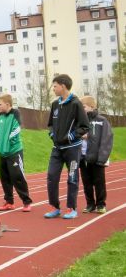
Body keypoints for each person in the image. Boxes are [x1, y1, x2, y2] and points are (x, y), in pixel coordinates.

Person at [44, 74, 90, 220]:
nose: (53, 89)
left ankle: (71, 208)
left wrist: (71, 136)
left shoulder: (76, 103)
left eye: (55, 86)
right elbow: (50, 124)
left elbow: (84, 127)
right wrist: (52, 135)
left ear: (63, 86)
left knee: (72, 178)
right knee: (51, 177)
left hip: (72, 149)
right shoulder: (55, 104)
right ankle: (55, 207)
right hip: (57, 149)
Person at [0, 94, 32, 212]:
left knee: (17, 176)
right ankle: (9, 202)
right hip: (3, 152)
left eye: (0, 104)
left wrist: (9, 142)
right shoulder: (0, 116)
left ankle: (26, 202)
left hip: (14, 151)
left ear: (7, 104)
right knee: (4, 178)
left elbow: (17, 129)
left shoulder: (15, 113)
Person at [79, 96, 113, 214]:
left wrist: (102, 158)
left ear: (91, 107)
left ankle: (101, 204)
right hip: (83, 158)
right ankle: (90, 204)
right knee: (86, 183)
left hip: (97, 158)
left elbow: (106, 140)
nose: (82, 109)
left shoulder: (102, 121)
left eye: (83, 107)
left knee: (99, 182)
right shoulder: (79, 121)